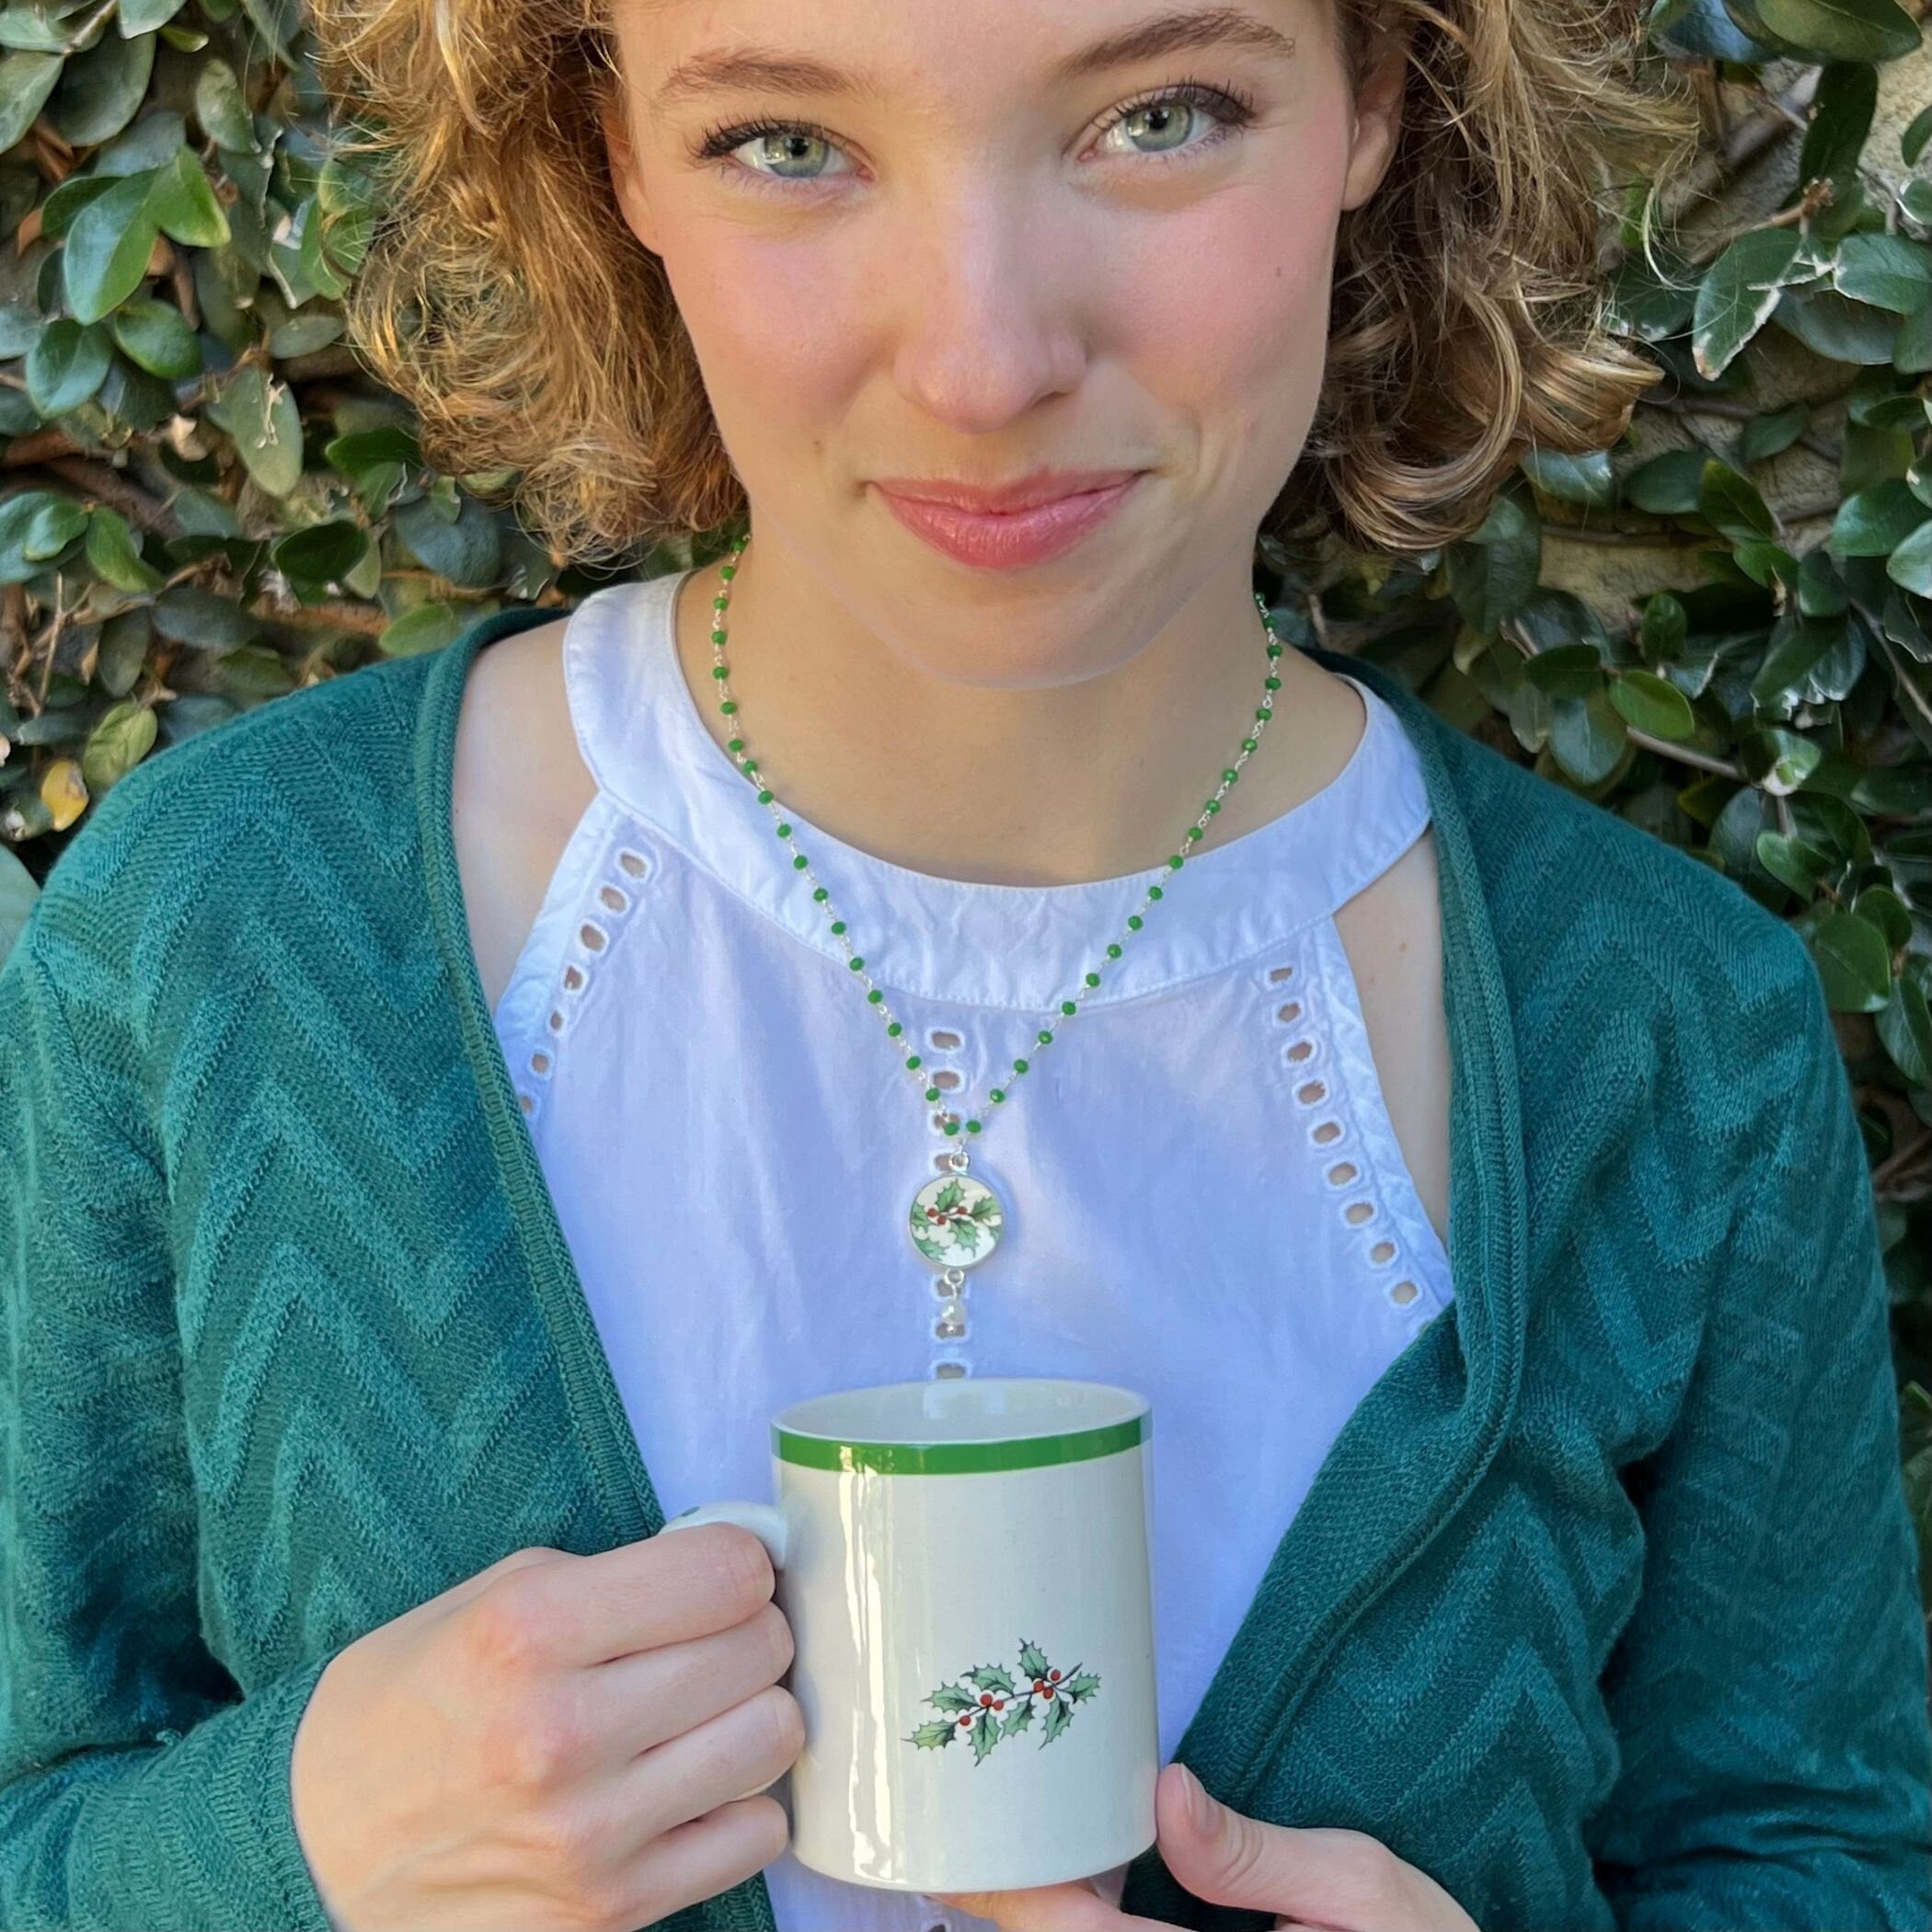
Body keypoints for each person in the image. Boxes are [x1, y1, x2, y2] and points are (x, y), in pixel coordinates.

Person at [2, 0, 1927, 1928]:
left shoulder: (1684, 1044)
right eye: (784, 138)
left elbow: (1822, 1860)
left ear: (1380, 97)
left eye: (1160, 115)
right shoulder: (216, 933)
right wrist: (286, 1849)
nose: (984, 358)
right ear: (617, 161)